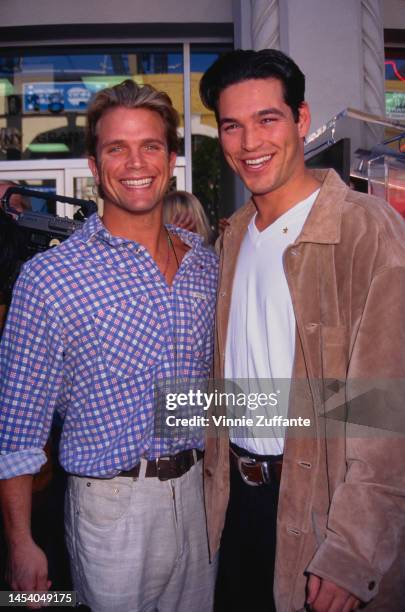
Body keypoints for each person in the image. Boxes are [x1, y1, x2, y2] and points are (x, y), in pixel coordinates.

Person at [0, 79, 218, 612]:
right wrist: (21, 543)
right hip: (110, 509)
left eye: (150, 145)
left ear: (170, 161)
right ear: (95, 167)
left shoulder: (205, 265)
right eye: (116, 147)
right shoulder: (50, 278)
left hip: (200, 500)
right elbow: (16, 427)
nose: (134, 161)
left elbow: (210, 391)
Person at [200, 49, 405, 612]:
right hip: (238, 505)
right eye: (232, 126)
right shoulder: (234, 236)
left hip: (322, 512)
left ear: (302, 120)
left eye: (267, 119)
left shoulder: (366, 230)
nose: (250, 143)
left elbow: (385, 412)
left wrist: (352, 553)